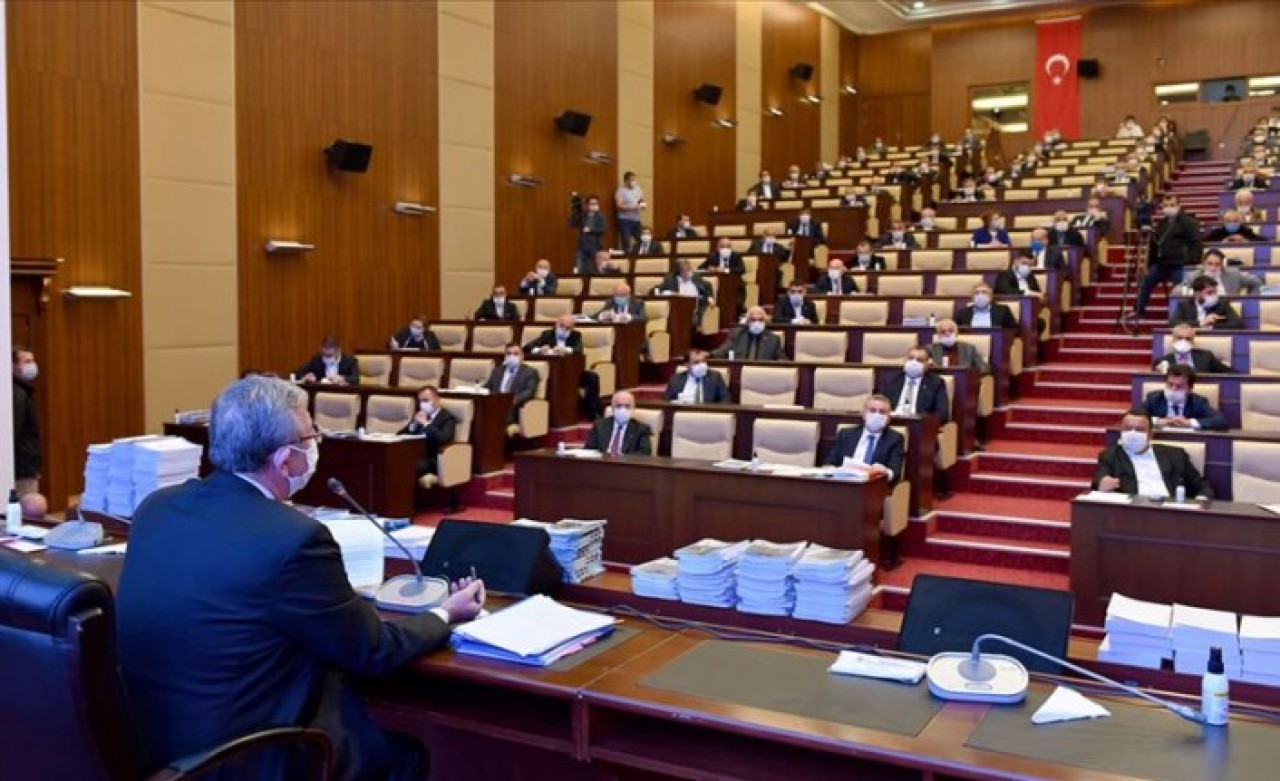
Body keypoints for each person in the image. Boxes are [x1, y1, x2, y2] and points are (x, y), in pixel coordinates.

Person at [117, 377, 486, 781]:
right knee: (405, 757)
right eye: (312, 437)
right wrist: (443, 614)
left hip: (148, 746)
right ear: (283, 460)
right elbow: (373, 651)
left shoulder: (157, 508)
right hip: (238, 760)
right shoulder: (293, 539)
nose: (316, 446)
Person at [1091, 410, 1211, 499]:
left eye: (1139, 430)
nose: (1133, 434)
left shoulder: (1175, 455)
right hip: (1132, 515)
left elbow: (1202, 486)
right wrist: (1101, 485)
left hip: (1172, 514)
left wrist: (1200, 501)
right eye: (1127, 429)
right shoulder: (1110, 456)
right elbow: (1098, 481)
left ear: (1150, 434)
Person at [523, 315, 602, 419]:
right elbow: (527, 348)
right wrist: (539, 350)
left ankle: (593, 412)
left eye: (568, 328)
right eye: (562, 326)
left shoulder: (575, 335)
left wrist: (565, 350)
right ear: (556, 324)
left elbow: (578, 350)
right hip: (552, 373)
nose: (564, 329)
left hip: (572, 372)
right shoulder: (547, 334)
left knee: (592, 377)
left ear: (572, 328)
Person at [1136, 195, 1200, 320]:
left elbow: (1196, 243)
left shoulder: (1188, 222)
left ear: (1179, 206)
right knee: (1146, 281)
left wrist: (1193, 262)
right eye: (1165, 206)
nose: (1168, 208)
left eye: (1172, 205)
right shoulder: (1162, 224)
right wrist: (1150, 265)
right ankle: (1139, 310)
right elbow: (1156, 244)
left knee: (1181, 288)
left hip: (1180, 263)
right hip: (1162, 264)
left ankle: (1180, 316)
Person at [823, 394, 904, 484]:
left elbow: (895, 473)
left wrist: (885, 471)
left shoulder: (895, 439)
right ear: (864, 414)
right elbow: (830, 462)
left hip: (874, 488)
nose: (877, 415)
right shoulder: (846, 434)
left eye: (882, 412)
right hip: (844, 485)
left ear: (888, 418)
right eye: (872, 410)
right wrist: (831, 470)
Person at [1140, 365, 1227, 431]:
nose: (1173, 389)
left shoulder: (1198, 402)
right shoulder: (1154, 398)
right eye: (1170, 385)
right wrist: (1159, 421)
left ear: (1189, 389)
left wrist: (1189, 423)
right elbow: (1132, 417)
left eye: (1179, 386)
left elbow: (1220, 421)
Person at [398, 385, 458, 477]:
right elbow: (399, 435)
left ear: (437, 400)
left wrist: (426, 424)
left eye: (426, 400)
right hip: (415, 455)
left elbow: (442, 438)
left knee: (410, 466)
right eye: (420, 401)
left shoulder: (447, 418)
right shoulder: (420, 416)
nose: (422, 404)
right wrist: (413, 425)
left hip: (433, 459)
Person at [878, 346, 950, 423]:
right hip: (892, 423)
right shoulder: (890, 380)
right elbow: (878, 405)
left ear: (928, 364)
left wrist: (919, 419)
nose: (914, 363)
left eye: (919, 360)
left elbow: (942, 414)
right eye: (911, 358)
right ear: (905, 360)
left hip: (919, 426)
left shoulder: (936, 383)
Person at [485, 343, 541, 433]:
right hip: (494, 404)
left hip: (513, 408)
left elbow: (529, 391)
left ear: (522, 356)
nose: (512, 356)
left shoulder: (530, 372)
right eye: (509, 354)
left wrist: (513, 399)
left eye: (515, 354)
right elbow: (487, 387)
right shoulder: (498, 370)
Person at [583, 391, 652, 455]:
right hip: (602, 464)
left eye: (627, 406)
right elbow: (589, 449)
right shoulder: (599, 425)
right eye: (619, 406)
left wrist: (622, 459)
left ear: (633, 408)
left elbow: (644, 453)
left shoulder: (641, 429)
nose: (623, 410)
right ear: (612, 408)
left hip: (626, 466)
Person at [11, 346, 40, 496]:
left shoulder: (23, 391)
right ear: (13, 366)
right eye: (27, 361)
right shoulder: (18, 394)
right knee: (28, 511)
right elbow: (13, 431)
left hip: (24, 465)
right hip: (22, 469)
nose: (32, 365)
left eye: (33, 360)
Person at [1152, 323, 1235, 373]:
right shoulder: (1162, 362)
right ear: (1173, 340)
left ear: (1193, 342)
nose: (1183, 341)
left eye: (1188, 339)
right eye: (1180, 338)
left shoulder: (1206, 357)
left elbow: (1229, 373)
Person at [1169, 275, 1244, 330]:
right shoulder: (1184, 305)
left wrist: (1212, 326)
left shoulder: (1222, 304)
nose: (1213, 296)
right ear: (1197, 293)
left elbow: (1238, 324)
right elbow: (1173, 323)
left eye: (1215, 292)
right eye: (1209, 293)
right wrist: (1201, 323)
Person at [711, 307, 786, 361]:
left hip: (762, 373)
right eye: (753, 320)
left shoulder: (773, 339)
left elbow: (782, 359)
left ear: (765, 322)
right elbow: (723, 350)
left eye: (760, 320)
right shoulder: (736, 334)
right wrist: (709, 355)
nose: (757, 323)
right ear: (747, 322)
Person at [655, 259, 713, 328]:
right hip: (677, 311)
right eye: (686, 270)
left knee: (689, 321)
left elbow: (707, 287)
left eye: (690, 269)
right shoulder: (670, 279)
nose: (689, 273)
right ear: (679, 272)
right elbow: (657, 290)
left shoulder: (695, 277)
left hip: (695, 311)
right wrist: (671, 293)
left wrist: (708, 299)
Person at [1178, 249, 1261, 296]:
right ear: (1204, 263)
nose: (1213, 268)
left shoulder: (1234, 274)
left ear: (1222, 265)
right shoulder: (1194, 276)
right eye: (1209, 264)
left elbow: (1256, 281)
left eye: (1217, 264)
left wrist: (1250, 300)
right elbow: (1176, 291)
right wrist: (1195, 292)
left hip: (1228, 311)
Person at [664, 349, 729, 404]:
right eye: (696, 362)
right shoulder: (675, 379)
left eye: (703, 361)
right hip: (682, 414)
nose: (701, 365)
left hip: (706, 414)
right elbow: (666, 401)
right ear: (687, 365)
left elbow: (726, 399)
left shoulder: (715, 377)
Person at [570, 194, 606, 273]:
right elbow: (572, 224)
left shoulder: (601, 216)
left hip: (596, 247)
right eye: (592, 204)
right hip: (582, 247)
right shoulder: (582, 215)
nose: (594, 205)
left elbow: (602, 230)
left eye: (595, 204)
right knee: (581, 269)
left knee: (596, 270)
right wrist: (575, 211)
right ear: (587, 205)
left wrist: (590, 230)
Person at [614, 171, 646, 250]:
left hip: (636, 219)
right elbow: (619, 206)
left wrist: (643, 205)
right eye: (631, 179)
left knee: (642, 239)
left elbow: (642, 200)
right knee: (626, 240)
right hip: (625, 220)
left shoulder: (638, 189)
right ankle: (627, 258)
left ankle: (640, 256)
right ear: (626, 181)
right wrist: (632, 207)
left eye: (634, 179)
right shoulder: (620, 191)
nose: (633, 181)